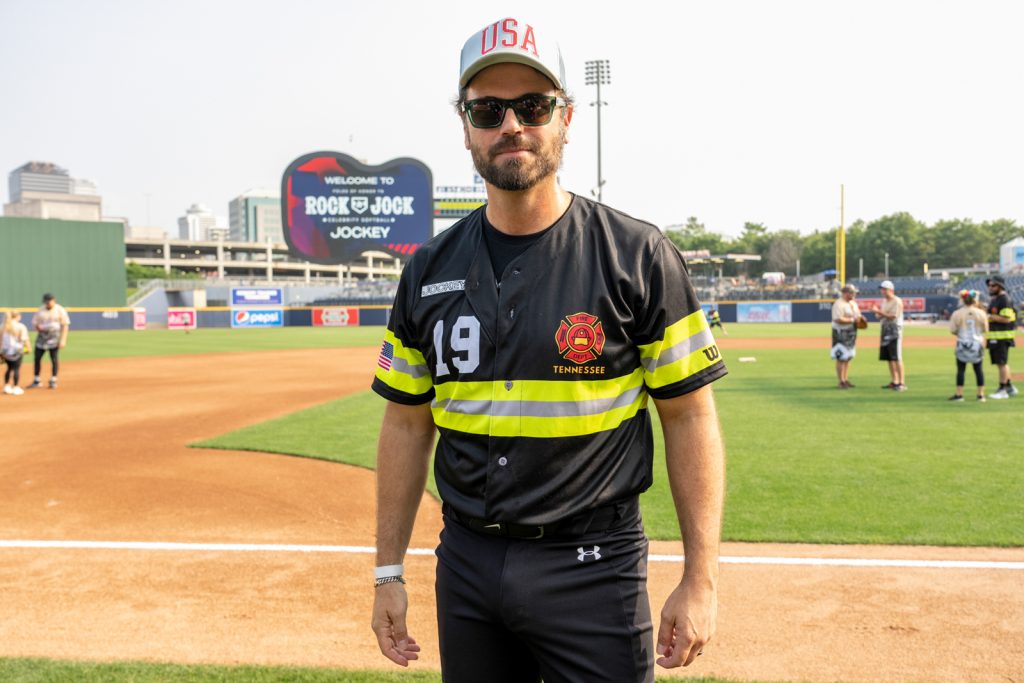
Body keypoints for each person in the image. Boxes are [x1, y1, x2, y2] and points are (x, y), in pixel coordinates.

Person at [370, 18, 727, 682]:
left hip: (593, 565)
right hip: (468, 565)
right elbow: (406, 419)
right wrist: (388, 569)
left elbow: (689, 416)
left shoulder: (637, 256)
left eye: (532, 106)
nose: (511, 124)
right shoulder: (426, 269)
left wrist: (699, 579)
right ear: (466, 124)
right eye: (488, 108)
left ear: (565, 117)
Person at [948, 289, 988, 402]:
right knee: (978, 370)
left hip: (962, 343)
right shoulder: (981, 313)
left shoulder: (957, 313)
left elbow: (952, 330)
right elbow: (985, 329)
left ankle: (959, 394)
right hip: (977, 344)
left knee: (961, 370)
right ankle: (981, 395)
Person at [984, 275, 1017, 399]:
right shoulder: (995, 299)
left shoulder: (1004, 300)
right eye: (989, 285)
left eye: (993, 285)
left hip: (1002, 336)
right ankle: (1008, 386)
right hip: (996, 336)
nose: (990, 287)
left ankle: (1002, 389)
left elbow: (1006, 319)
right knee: (1001, 363)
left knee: (1001, 363)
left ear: (1000, 286)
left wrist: (989, 317)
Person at [28, 293, 70, 389]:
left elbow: (65, 325)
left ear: (53, 300)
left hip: (54, 337)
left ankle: (53, 379)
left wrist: (63, 339)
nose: (47, 304)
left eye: (49, 301)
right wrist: (39, 328)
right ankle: (37, 380)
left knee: (54, 359)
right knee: (37, 358)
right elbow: (35, 323)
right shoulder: (41, 309)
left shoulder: (60, 310)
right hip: (42, 337)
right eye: (46, 302)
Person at [870, 280, 906, 390]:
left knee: (897, 357)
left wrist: (879, 312)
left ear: (891, 290)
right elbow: (881, 316)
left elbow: (893, 316)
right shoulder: (884, 301)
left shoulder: (897, 301)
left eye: (885, 289)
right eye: (882, 289)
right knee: (889, 358)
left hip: (895, 330)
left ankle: (902, 382)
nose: (883, 292)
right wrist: (875, 311)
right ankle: (894, 381)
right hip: (885, 329)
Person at [830, 283, 864, 389]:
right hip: (841, 333)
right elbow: (838, 319)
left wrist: (860, 319)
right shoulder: (839, 304)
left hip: (851, 333)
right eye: (852, 293)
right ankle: (841, 381)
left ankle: (845, 379)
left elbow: (858, 315)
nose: (854, 295)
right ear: (845, 293)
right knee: (841, 357)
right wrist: (852, 320)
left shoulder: (853, 303)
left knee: (848, 357)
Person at [2, 310, 31, 395]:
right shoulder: (20, 326)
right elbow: (24, 339)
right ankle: (16, 387)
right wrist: (28, 348)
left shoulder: (3, 326)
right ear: (17, 316)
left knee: (8, 368)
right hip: (17, 351)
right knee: (16, 369)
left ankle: (6, 386)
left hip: (5, 352)